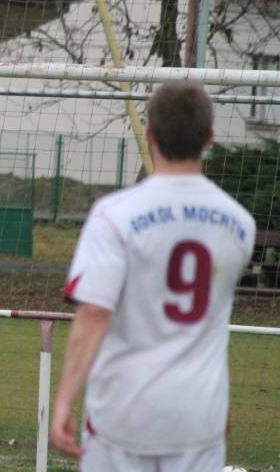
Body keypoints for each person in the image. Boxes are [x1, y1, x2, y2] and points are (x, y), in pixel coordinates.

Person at [50, 81, 255, 471]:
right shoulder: (240, 223)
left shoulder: (113, 215)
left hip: (123, 414)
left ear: (150, 135)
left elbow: (94, 313)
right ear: (209, 138)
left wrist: (63, 400)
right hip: (199, 415)